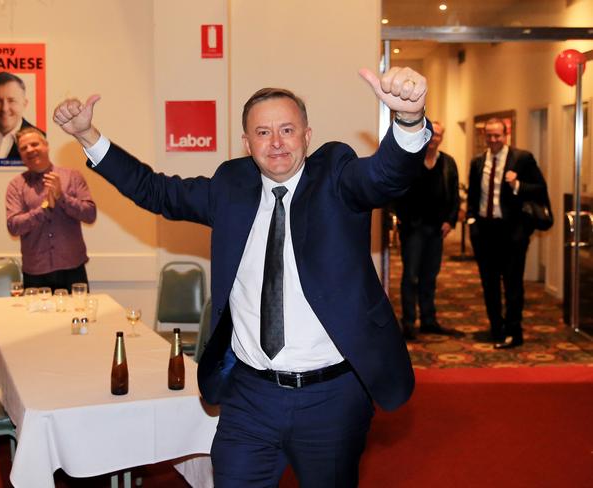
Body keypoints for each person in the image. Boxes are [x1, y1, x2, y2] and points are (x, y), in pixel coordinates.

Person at [54, 66, 430, 487]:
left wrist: (409, 120)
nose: (276, 143)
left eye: (287, 129)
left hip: (332, 397)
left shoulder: (337, 177)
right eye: (263, 133)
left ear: (307, 135)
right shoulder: (230, 187)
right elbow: (155, 190)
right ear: (246, 143)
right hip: (250, 396)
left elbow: (386, 175)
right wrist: (89, 136)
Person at [467, 118, 548, 349]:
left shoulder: (522, 158)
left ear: (506, 135)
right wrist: (472, 221)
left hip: (512, 232)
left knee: (512, 285)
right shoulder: (477, 162)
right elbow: (474, 194)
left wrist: (517, 185)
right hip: (484, 231)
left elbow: (540, 188)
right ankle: (496, 329)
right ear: (485, 136)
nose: (493, 140)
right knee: (489, 284)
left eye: (498, 136)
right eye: (489, 136)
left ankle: (514, 331)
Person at [6, 127, 97, 292]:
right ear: (20, 154)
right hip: (35, 273)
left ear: (46, 146)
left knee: (76, 316)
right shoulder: (16, 185)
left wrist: (62, 197)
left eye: (34, 144)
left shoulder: (72, 176)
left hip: (72, 269)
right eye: (24, 148)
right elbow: (14, 226)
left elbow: (90, 214)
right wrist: (44, 209)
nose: (30, 150)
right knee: (37, 319)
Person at [395, 121, 460, 340]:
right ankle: (409, 323)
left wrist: (451, 220)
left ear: (442, 138)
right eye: (431, 134)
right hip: (413, 229)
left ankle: (429, 320)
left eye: (438, 135)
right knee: (411, 277)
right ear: (425, 135)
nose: (434, 139)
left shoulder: (448, 163)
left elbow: (454, 195)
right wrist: (404, 219)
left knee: (430, 277)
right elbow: (396, 191)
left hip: (437, 229)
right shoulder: (411, 160)